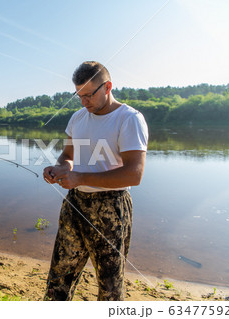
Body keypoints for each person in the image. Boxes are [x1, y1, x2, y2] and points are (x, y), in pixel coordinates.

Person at [43, 61, 148, 301]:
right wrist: (59, 169)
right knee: (58, 281)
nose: (84, 102)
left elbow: (134, 174)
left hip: (111, 208)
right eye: (79, 96)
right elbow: (68, 156)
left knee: (110, 289)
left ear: (108, 86)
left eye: (89, 95)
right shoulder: (78, 118)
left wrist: (80, 177)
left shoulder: (129, 119)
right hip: (75, 204)